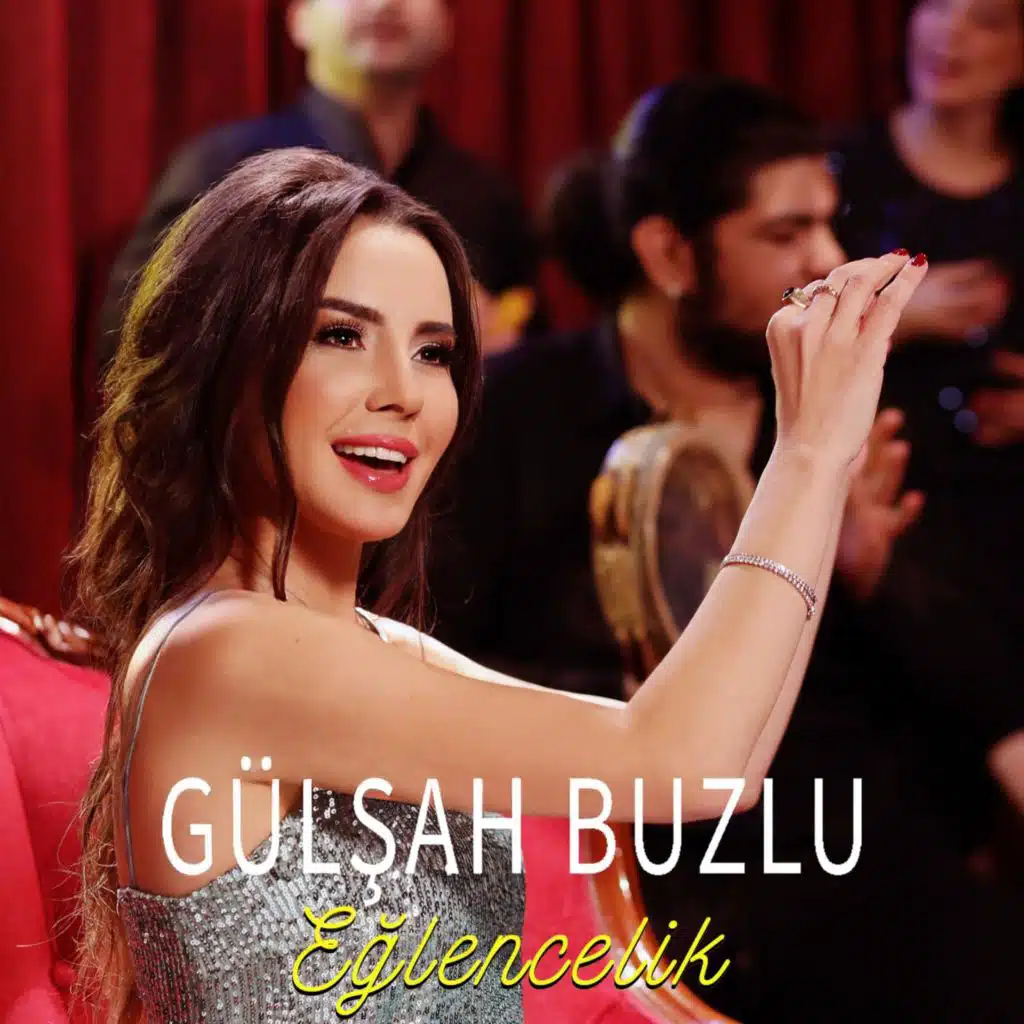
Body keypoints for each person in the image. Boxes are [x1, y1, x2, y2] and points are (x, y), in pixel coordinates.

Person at [69, 145, 922, 1022]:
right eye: (341, 336)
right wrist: (805, 451)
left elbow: (726, 768)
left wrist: (829, 462)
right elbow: (680, 762)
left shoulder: (368, 646)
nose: (404, 393)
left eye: (434, 352)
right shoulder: (227, 652)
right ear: (225, 359)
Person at [425, 78, 1024, 1022]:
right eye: (786, 233)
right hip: (624, 864)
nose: (826, 261)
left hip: (852, 858)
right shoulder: (516, 419)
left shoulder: (856, 406)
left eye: (829, 224)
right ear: (669, 253)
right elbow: (432, 664)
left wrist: (874, 570)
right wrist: (636, 690)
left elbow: (984, 678)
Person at [96, 0, 538, 375]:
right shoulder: (226, 166)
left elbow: (536, 368)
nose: (385, 4)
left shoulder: (486, 196)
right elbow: (131, 337)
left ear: (447, 26)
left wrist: (492, 343)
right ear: (300, 18)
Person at [833, 0, 1024, 832]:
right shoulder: (841, 172)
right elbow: (767, 320)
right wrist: (898, 317)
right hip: (878, 501)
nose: (951, 33)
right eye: (938, 5)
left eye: (988, 19)